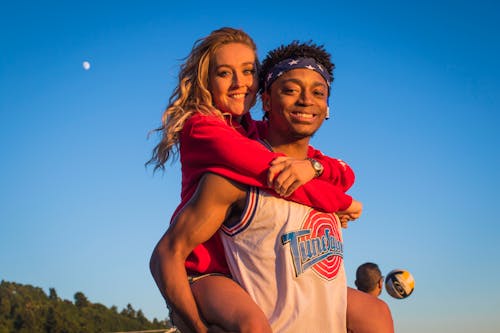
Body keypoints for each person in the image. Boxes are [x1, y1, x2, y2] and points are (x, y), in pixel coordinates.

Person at [148, 28, 361, 333]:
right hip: (206, 270)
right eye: (224, 73)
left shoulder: (249, 127)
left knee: (371, 312)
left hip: (244, 270)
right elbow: (273, 170)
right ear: (207, 80)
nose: (239, 83)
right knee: (252, 325)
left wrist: (313, 167)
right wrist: (344, 203)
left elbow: (340, 170)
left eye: (248, 71)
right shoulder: (203, 128)